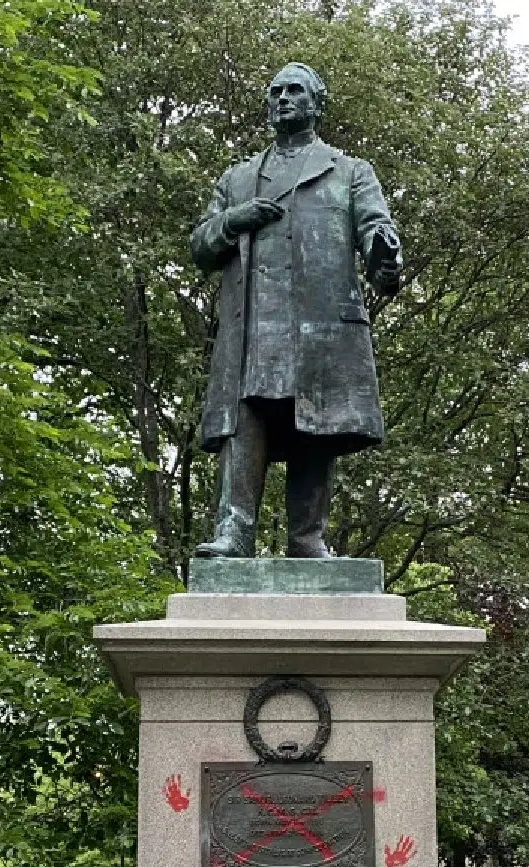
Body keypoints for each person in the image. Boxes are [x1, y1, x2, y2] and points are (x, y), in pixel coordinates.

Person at [189, 62, 401, 559]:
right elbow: (200, 246)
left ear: (316, 103)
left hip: (319, 328)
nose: (283, 98)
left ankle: (307, 540)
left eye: (294, 91)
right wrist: (233, 220)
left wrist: (384, 253)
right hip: (252, 329)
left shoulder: (349, 172)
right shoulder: (238, 179)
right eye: (275, 91)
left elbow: (375, 231)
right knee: (244, 422)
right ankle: (233, 534)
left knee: (315, 423)